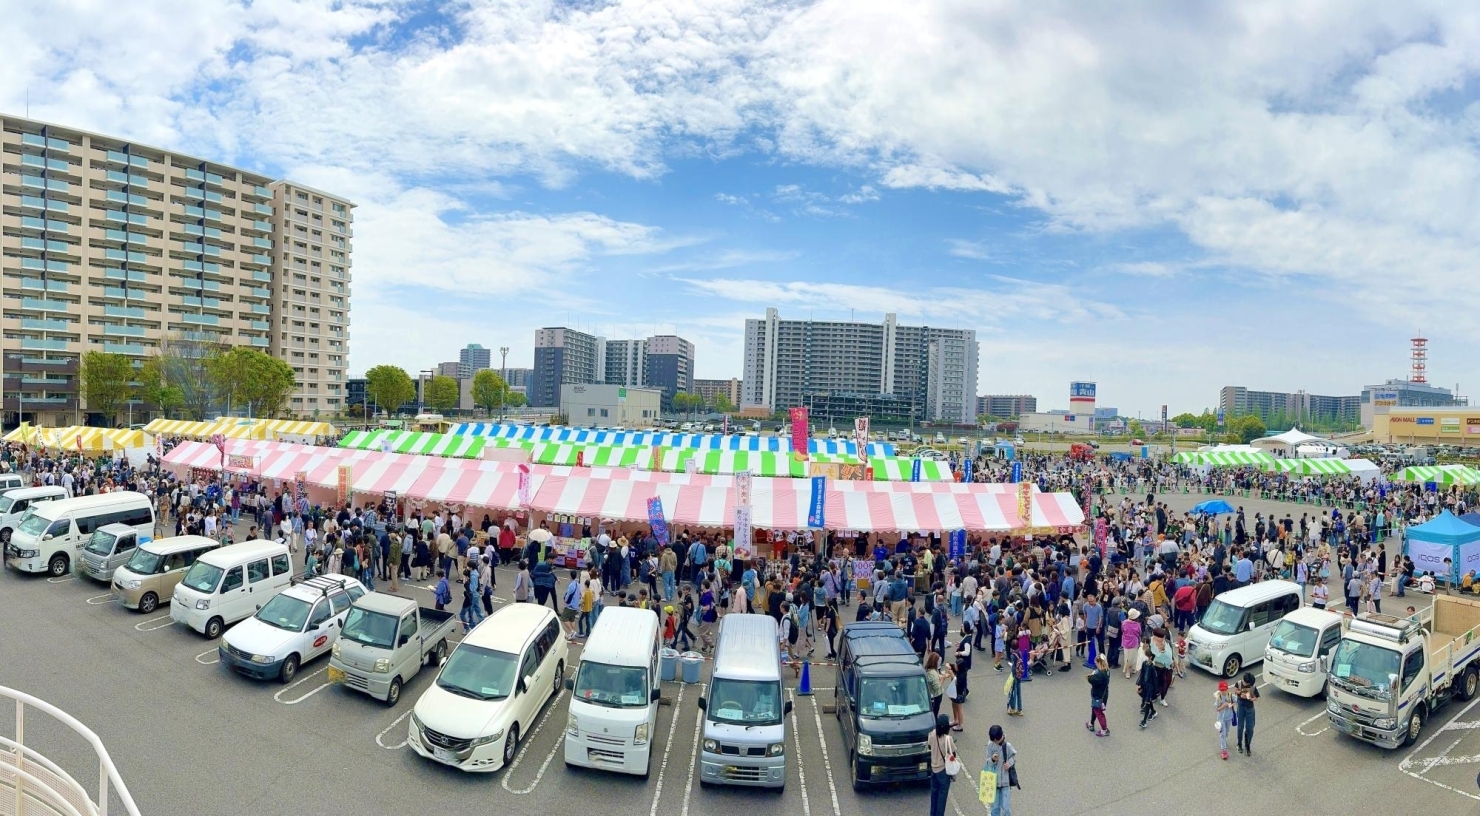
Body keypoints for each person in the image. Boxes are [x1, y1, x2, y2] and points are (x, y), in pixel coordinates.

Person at [927, 713, 957, 816]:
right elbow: (953, 754)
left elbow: (930, 746)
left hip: (933, 769)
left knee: (934, 794)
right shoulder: (948, 739)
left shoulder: (932, 734)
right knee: (942, 797)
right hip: (943, 771)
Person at [985, 724, 1015, 816]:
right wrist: (992, 759)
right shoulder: (990, 745)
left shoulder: (1007, 746)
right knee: (995, 807)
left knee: (1006, 807)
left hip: (1005, 782)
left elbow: (1013, 756)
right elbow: (987, 761)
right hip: (994, 781)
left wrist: (1009, 763)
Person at [1235, 671, 1260, 755]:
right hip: (1241, 707)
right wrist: (1240, 694)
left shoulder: (1253, 686)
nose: (1247, 685)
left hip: (1249, 708)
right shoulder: (1238, 683)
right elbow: (1236, 691)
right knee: (1240, 727)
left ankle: (1247, 745)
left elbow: (1256, 697)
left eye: (1249, 684)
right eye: (1246, 683)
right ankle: (1239, 744)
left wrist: (1250, 698)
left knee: (1250, 729)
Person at [1085, 655, 1109, 737]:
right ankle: (1091, 723)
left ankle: (1104, 730)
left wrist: (1089, 677)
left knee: (1099, 712)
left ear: (1099, 663)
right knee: (1094, 709)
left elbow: (1092, 680)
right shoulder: (1107, 671)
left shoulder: (1100, 675)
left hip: (1098, 696)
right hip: (1103, 694)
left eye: (1096, 663)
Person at [1136, 644, 1159, 729]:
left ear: (1150, 657)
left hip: (1150, 688)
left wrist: (1156, 691)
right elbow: (1142, 675)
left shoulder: (1152, 668)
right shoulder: (1144, 664)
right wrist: (1139, 685)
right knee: (1147, 701)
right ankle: (1153, 711)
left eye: (1146, 656)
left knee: (1147, 702)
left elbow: (1155, 680)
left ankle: (1144, 721)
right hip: (1145, 686)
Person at [1214, 679, 1237, 760]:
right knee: (1223, 734)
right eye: (1222, 690)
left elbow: (1236, 700)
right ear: (1220, 690)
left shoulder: (1230, 696)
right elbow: (1217, 709)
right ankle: (1223, 750)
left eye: (1225, 689)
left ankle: (1224, 741)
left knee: (1226, 732)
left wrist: (1231, 704)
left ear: (1227, 688)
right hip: (1221, 719)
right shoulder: (1219, 698)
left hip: (1229, 718)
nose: (1223, 691)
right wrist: (1223, 706)